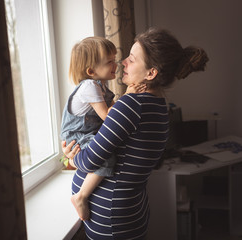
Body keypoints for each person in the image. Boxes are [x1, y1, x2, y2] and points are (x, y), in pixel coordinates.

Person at [62, 27, 209, 239]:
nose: (123, 63)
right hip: (129, 213)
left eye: (132, 59)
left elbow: (89, 162)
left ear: (151, 73)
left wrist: (72, 155)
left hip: (111, 217)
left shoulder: (130, 106)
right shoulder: (160, 106)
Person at [60, 36, 146, 221]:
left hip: (88, 131)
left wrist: (126, 98)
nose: (116, 65)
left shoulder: (100, 85)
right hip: (78, 133)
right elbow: (109, 117)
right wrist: (128, 95)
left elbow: (115, 110)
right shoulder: (89, 86)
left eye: (114, 60)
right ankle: (81, 196)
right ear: (91, 70)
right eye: (110, 62)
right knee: (106, 160)